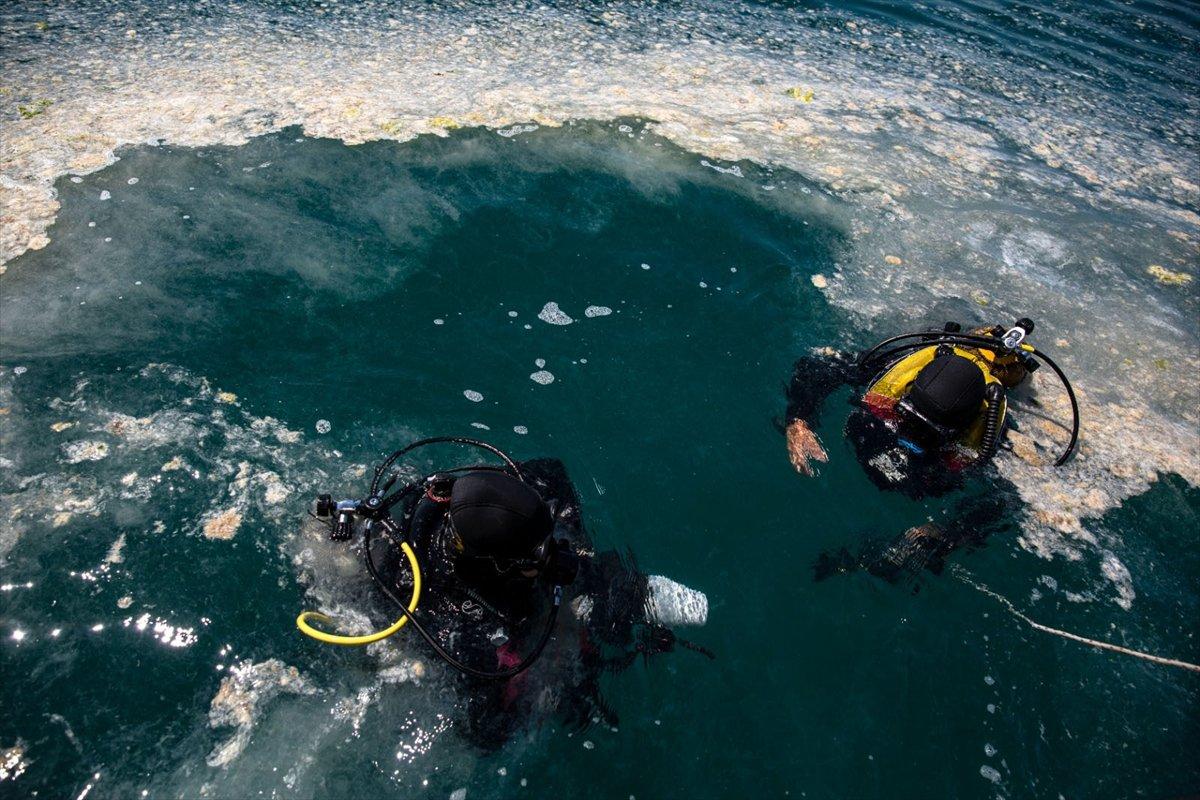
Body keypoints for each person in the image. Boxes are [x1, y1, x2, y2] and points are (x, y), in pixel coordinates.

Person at [301, 440, 711, 750]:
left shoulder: (525, 496)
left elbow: (552, 471)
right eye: (539, 553)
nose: (556, 555)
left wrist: (578, 552)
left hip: (489, 560)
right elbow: (485, 733)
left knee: (590, 582)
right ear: (497, 565)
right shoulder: (458, 620)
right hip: (425, 601)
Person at [782, 319, 1078, 585]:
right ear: (911, 391)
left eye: (929, 429)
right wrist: (798, 421)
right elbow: (816, 366)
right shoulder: (898, 369)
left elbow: (1012, 496)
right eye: (908, 415)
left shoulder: (990, 428)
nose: (913, 429)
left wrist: (946, 532)